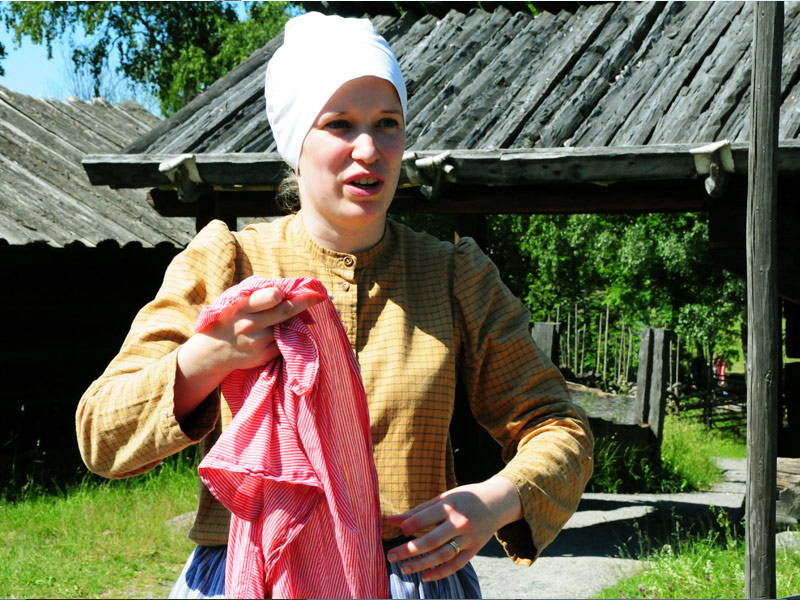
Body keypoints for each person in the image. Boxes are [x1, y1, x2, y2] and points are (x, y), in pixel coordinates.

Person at [76, 12, 594, 600]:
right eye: (340, 124)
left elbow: (560, 427)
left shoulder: (452, 274)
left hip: (409, 580)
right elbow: (101, 436)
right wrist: (207, 358)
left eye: (388, 124)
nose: (369, 149)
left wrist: (494, 501)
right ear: (298, 141)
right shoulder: (228, 264)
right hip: (250, 578)